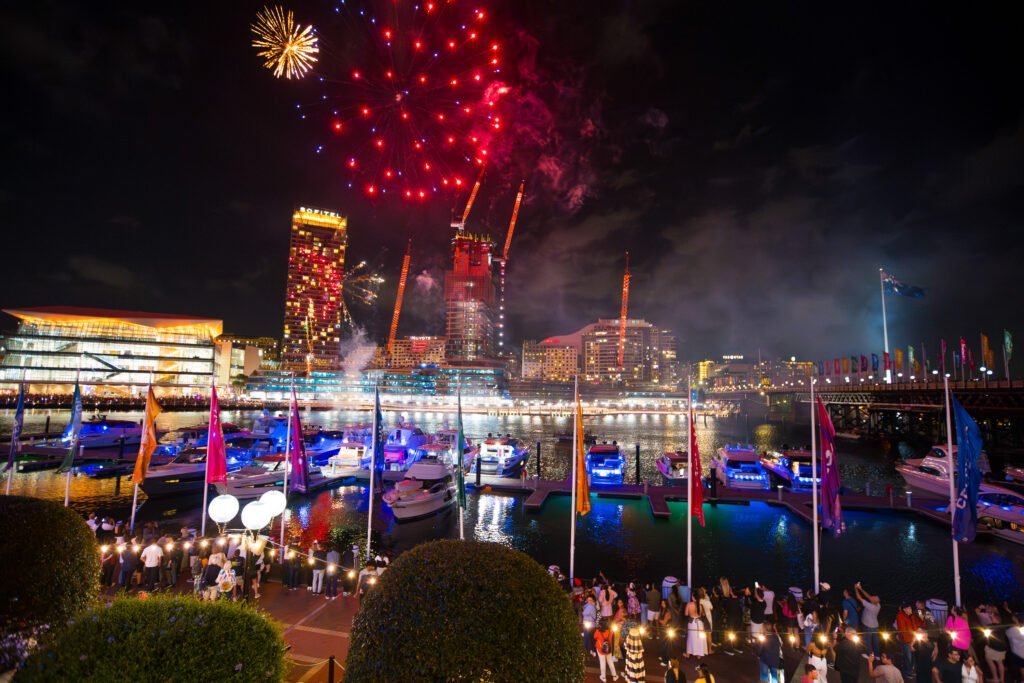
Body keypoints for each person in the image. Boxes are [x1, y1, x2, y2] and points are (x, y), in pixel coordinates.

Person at [894, 603, 924, 678]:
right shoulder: (900, 616)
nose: (911, 610)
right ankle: (908, 672)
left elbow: (919, 624)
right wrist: (909, 643)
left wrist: (921, 619)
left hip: (912, 639)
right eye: (909, 608)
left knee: (911, 656)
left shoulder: (912, 615)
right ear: (905, 609)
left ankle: (909, 669)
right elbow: (903, 631)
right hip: (906, 640)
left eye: (911, 608)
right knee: (908, 656)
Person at [855, 582, 882, 657]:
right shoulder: (878, 605)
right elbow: (868, 596)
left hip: (868, 626)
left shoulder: (870, 606)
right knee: (876, 642)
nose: (871, 597)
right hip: (875, 626)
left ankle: (869, 655)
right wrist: (860, 588)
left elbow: (859, 597)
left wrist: (855, 588)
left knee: (868, 641)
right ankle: (877, 656)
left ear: (873, 601)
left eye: (873, 597)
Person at [984, 614, 1008, 683]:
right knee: (1000, 663)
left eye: (993, 618)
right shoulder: (1002, 626)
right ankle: (1002, 679)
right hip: (1002, 647)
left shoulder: (991, 626)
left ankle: (995, 679)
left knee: (989, 660)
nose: (991, 618)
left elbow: (985, 629)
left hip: (994, 647)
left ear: (996, 620)